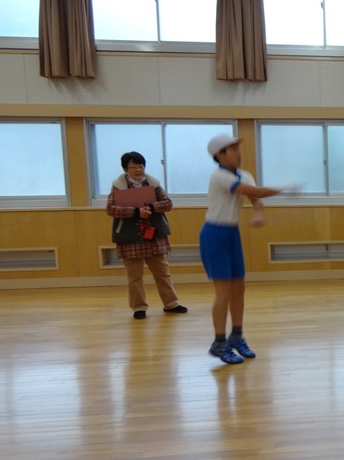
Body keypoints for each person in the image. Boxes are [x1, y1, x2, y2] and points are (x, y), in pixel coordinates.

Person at [200, 134, 288, 364]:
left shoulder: (245, 174)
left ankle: (236, 337)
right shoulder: (219, 176)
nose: (238, 153)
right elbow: (256, 192)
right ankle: (219, 343)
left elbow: (255, 199)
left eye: (238, 149)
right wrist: (284, 189)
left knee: (238, 289)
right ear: (219, 155)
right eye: (233, 149)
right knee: (223, 292)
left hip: (232, 234)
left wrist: (258, 213)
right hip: (214, 234)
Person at [106, 151, 187, 320]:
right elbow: (111, 209)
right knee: (134, 276)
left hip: (153, 235)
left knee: (163, 272)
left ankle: (171, 304)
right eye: (133, 166)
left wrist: (151, 207)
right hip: (130, 237)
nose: (138, 169)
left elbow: (167, 204)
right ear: (125, 169)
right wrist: (136, 211)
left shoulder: (153, 184)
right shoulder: (118, 186)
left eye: (141, 166)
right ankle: (139, 308)